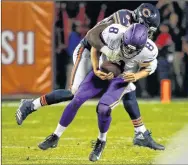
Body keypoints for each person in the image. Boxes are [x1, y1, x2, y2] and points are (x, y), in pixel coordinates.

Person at [15, 3, 161, 148]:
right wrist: (106, 57)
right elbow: (91, 36)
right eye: (148, 28)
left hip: (108, 56)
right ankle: (31, 104)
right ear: (141, 20)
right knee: (73, 92)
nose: (148, 33)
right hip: (88, 49)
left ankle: (140, 132)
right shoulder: (123, 19)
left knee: (128, 87)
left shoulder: (135, 30)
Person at [38, 23, 164, 162]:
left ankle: (101, 141)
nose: (128, 51)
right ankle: (55, 136)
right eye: (126, 46)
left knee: (103, 109)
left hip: (121, 79)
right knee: (77, 99)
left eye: (132, 50)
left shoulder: (149, 50)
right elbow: (95, 47)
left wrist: (136, 76)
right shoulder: (114, 33)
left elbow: (149, 67)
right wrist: (96, 68)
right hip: (103, 71)